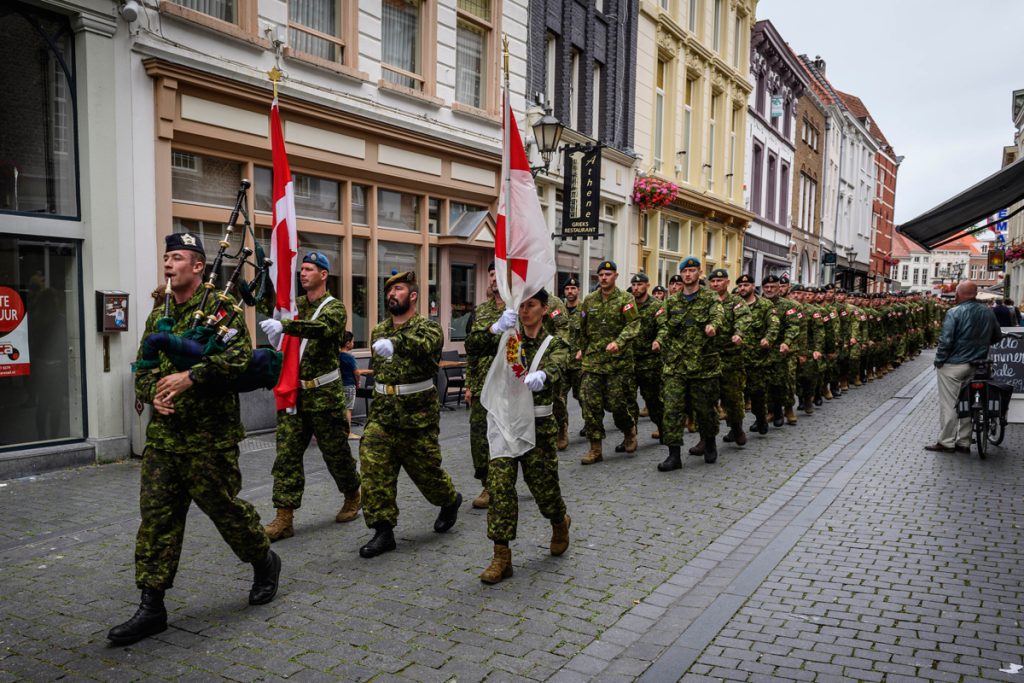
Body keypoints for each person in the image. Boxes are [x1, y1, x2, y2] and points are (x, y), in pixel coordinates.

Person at [109, 232, 280, 646]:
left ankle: (264, 559)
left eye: (178, 257)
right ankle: (152, 606)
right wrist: (154, 393)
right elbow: (145, 364)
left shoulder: (219, 308)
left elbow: (238, 357)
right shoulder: (159, 311)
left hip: (209, 439)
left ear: (198, 266)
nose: (169, 263)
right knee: (157, 521)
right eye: (166, 257)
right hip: (165, 440)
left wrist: (191, 376)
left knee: (226, 511)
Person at [358, 271, 462, 557]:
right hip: (382, 414)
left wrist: (398, 343)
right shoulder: (379, 330)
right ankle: (383, 531)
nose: (392, 294)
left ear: (413, 295)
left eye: (399, 289)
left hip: (417, 416)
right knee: (373, 468)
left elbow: (424, 346)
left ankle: (450, 500)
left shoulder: (428, 329)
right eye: (389, 290)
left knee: (427, 474)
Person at [259, 252, 362, 541]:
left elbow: (324, 329)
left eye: (309, 269)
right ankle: (284, 517)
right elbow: (276, 308)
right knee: (287, 456)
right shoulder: (296, 305)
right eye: (301, 269)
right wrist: (263, 280)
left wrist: (288, 326)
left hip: (324, 394)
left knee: (336, 453)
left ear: (324, 274)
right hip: (295, 393)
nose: (302, 274)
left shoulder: (335, 308)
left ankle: (353, 494)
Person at [480, 288, 572, 584]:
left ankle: (559, 521)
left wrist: (544, 375)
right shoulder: (509, 337)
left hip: (538, 428)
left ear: (544, 308)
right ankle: (501, 556)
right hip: (506, 423)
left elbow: (559, 364)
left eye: (531, 305)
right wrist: (494, 328)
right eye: (521, 306)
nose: (525, 311)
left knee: (544, 490)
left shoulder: (553, 342)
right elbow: (475, 346)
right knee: (501, 487)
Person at [655, 257, 724, 470]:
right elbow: (664, 325)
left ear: (699, 273)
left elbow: (718, 316)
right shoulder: (672, 301)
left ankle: (709, 442)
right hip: (676, 365)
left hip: (703, 365)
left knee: (705, 410)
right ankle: (673, 455)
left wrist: (713, 326)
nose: (687, 275)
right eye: (684, 271)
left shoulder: (710, 298)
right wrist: (659, 339)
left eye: (692, 271)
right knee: (672, 410)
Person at [576, 261, 640, 465]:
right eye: (601, 274)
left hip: (617, 363)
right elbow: (582, 329)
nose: (604, 278)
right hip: (593, 361)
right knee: (590, 404)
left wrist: (619, 343)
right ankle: (595, 448)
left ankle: (629, 430)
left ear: (616, 276)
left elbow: (633, 324)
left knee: (617, 404)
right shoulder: (589, 300)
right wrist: (581, 350)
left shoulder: (625, 298)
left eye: (608, 274)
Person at [926, 281, 1002, 453]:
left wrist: (939, 360)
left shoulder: (954, 312)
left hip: (955, 364)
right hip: (979, 364)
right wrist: (981, 345)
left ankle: (946, 441)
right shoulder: (988, 312)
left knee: (950, 403)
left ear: (958, 294)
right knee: (970, 401)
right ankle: (964, 441)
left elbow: (946, 341)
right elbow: (997, 336)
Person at [463, 262, 504, 509]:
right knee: (479, 437)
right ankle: (488, 483)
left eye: (498, 274)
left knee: (507, 437)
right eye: (491, 274)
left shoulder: (520, 308)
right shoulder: (481, 311)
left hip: (510, 385)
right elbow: (472, 351)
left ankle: (509, 480)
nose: (494, 279)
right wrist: (469, 384)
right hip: (482, 384)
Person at [630, 272, 665, 441]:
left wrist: (658, 340)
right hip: (629, 360)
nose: (636, 288)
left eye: (640, 285)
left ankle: (662, 426)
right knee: (628, 398)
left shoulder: (656, 306)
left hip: (650, 361)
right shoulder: (627, 305)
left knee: (652, 399)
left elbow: (663, 327)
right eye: (634, 285)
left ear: (647, 286)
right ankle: (630, 435)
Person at [339, 331, 363, 440]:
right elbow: (357, 372)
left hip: (339, 385)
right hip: (349, 385)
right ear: (348, 343)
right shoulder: (349, 357)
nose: (353, 343)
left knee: (340, 409)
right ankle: (348, 432)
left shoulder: (337, 356)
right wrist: (358, 382)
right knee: (348, 409)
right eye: (353, 341)